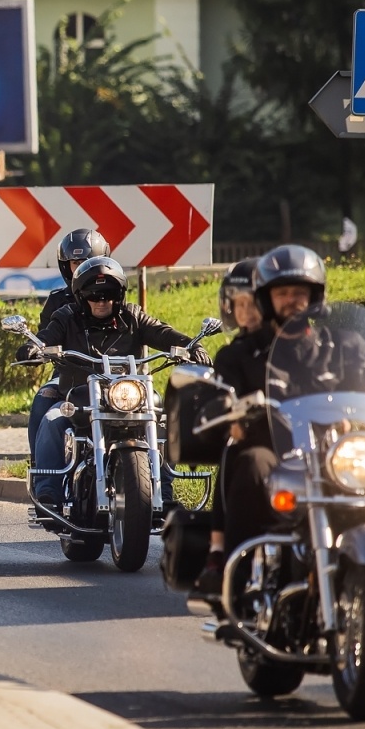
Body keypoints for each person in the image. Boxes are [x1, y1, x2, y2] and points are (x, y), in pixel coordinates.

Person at [190, 245, 326, 601]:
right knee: (249, 463)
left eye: (301, 293)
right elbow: (218, 401)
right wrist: (228, 415)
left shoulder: (339, 347)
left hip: (331, 451)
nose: (293, 301)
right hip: (272, 448)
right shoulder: (240, 354)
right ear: (269, 300)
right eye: (283, 294)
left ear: (315, 297)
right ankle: (237, 573)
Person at [25, 256, 207, 509]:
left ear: (119, 295)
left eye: (108, 295)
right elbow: (45, 337)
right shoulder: (66, 316)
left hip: (130, 395)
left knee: (165, 420)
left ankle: (164, 492)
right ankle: (48, 494)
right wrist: (34, 348)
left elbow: (162, 332)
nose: (101, 301)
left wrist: (191, 345)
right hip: (80, 397)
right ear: (80, 295)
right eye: (93, 295)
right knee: (53, 420)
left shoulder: (132, 316)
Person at [26, 229, 111, 453]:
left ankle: (161, 483)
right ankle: (41, 471)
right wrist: (36, 348)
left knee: (156, 410)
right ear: (67, 266)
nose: (81, 267)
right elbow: (45, 336)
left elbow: (143, 327)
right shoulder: (58, 302)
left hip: (114, 374)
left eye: (88, 260)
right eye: (76, 262)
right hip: (69, 374)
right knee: (43, 401)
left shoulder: (114, 294)